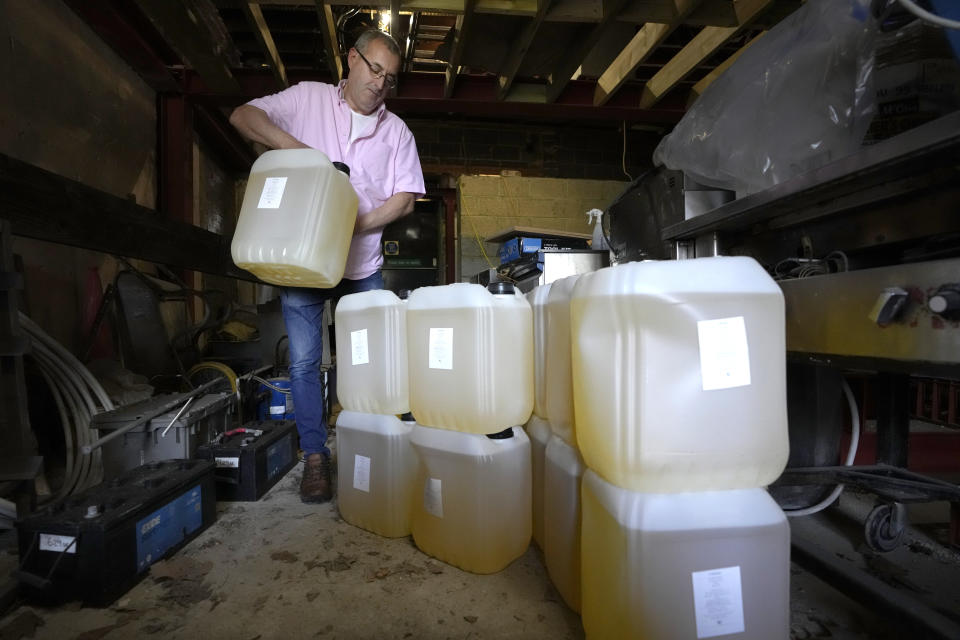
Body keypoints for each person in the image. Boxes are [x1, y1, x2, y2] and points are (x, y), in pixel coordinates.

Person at [229, 29, 425, 503]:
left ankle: (369, 445)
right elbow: (243, 116)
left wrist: (350, 224)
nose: (380, 84)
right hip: (304, 262)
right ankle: (316, 456)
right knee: (303, 362)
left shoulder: (397, 132)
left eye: (390, 78)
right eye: (374, 69)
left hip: (362, 266)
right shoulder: (307, 99)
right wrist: (299, 154)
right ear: (352, 60)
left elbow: (405, 201)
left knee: (368, 362)